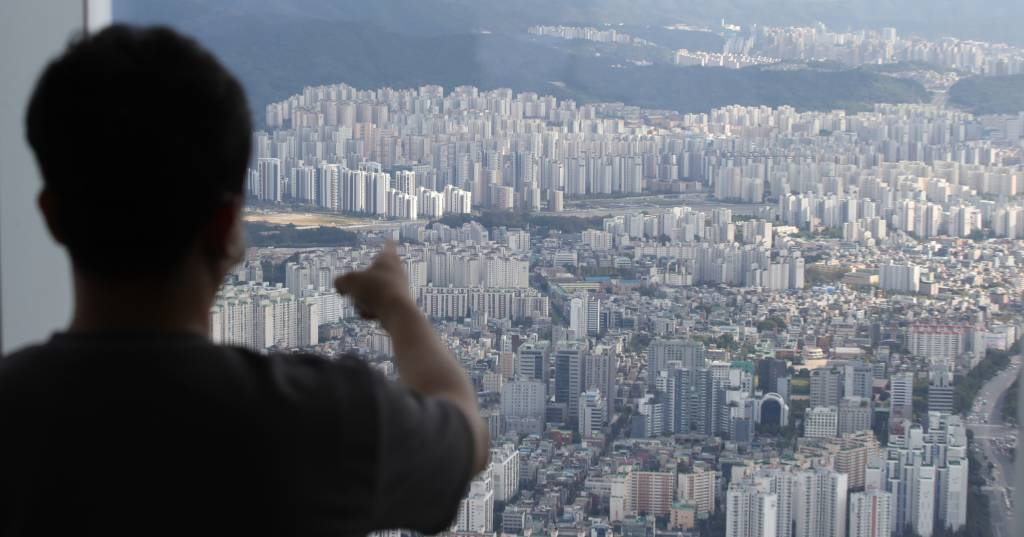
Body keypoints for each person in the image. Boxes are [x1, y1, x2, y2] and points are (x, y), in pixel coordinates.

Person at [0, 25, 488, 536]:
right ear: (228, 227)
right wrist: (397, 307)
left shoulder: (10, 419)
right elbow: (466, 435)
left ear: (51, 217)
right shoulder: (321, 420)